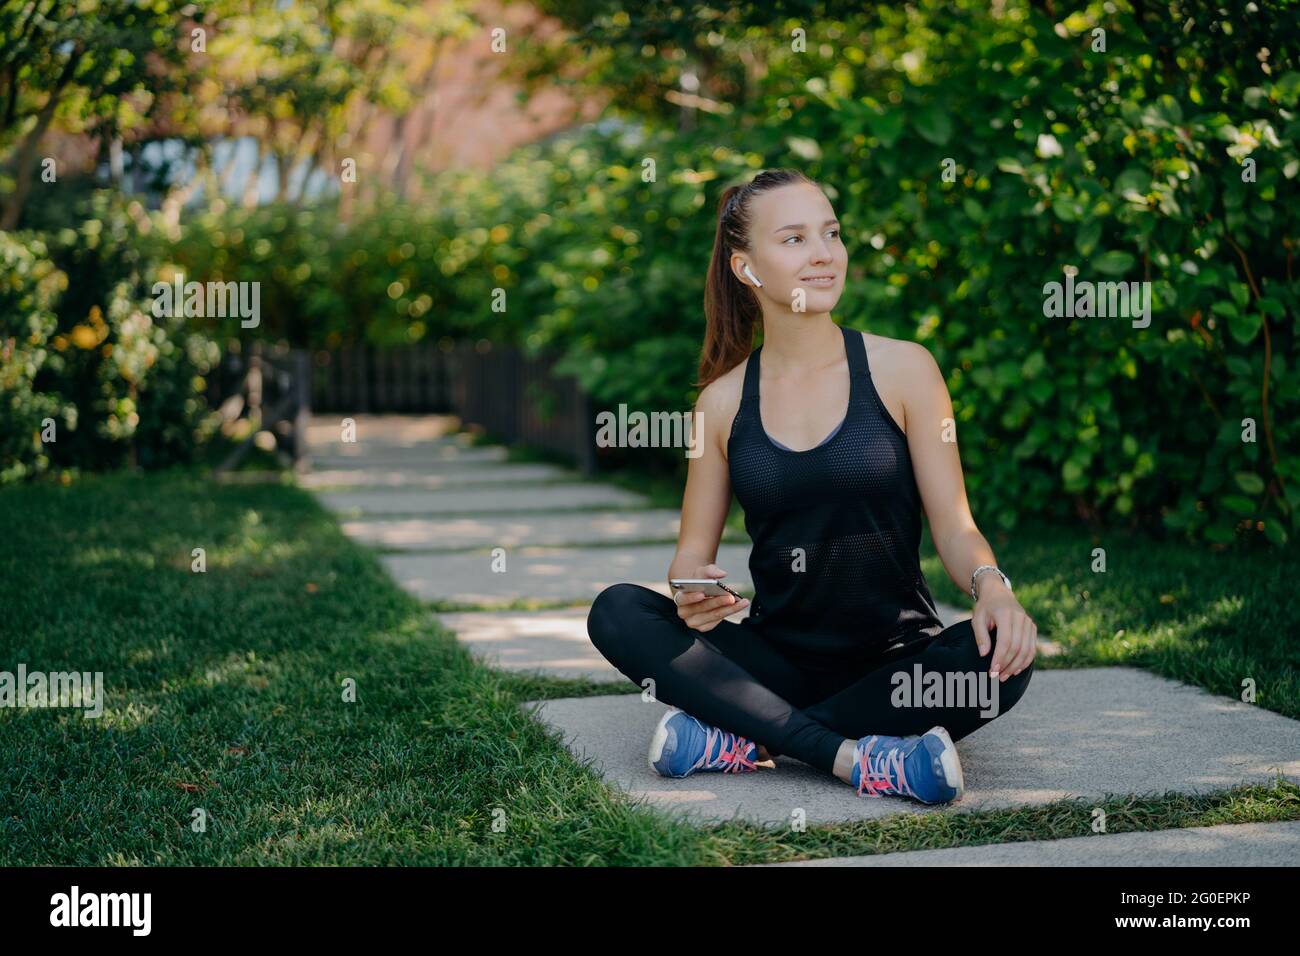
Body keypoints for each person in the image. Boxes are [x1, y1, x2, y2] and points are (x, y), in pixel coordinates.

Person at [586, 168, 1036, 804]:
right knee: (618, 611)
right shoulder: (720, 405)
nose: (824, 253)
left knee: (1001, 661)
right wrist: (694, 593)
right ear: (747, 269)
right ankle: (861, 759)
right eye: (794, 239)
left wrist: (994, 590)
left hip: (895, 666)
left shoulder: (905, 369)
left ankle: (748, 738)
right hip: (774, 660)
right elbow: (691, 557)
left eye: (831, 233)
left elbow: (956, 525)